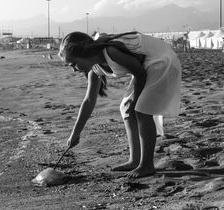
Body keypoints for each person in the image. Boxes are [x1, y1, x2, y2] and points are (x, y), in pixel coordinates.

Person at [58, 31, 181, 178]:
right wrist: (75, 133)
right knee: (126, 108)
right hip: (145, 68)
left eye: (74, 64)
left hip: (161, 61)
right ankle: (134, 160)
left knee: (141, 110)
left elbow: (139, 72)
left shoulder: (111, 52)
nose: (73, 69)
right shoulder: (95, 69)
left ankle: (146, 165)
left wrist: (136, 100)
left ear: (84, 53)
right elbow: (88, 101)